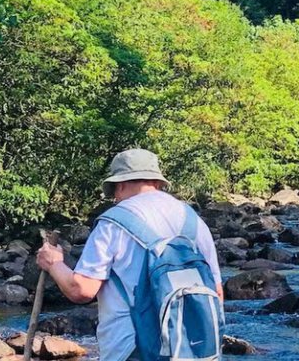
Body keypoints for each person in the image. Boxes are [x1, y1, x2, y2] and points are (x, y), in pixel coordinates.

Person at [36, 149, 224, 361]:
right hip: (193, 350)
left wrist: (54, 263)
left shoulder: (113, 223)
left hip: (132, 348)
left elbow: (82, 290)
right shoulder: (194, 221)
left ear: (120, 185)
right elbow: (216, 292)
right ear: (158, 183)